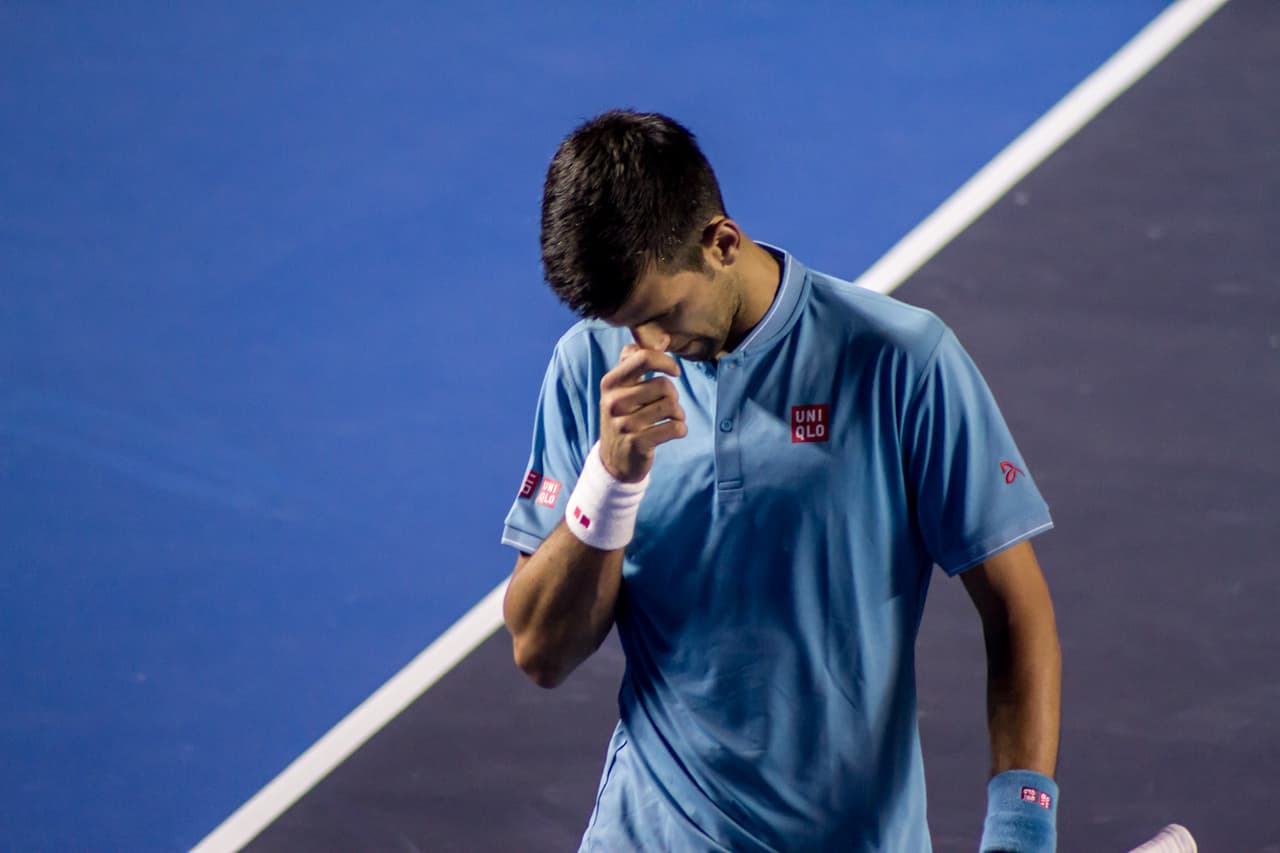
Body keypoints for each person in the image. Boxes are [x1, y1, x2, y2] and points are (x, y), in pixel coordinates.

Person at [500, 109, 1062, 852]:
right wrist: (610, 479)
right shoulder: (591, 370)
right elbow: (541, 650)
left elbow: (1016, 613)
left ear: (723, 242)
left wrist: (1021, 831)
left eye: (663, 314)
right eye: (628, 324)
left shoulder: (901, 361)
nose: (650, 347)